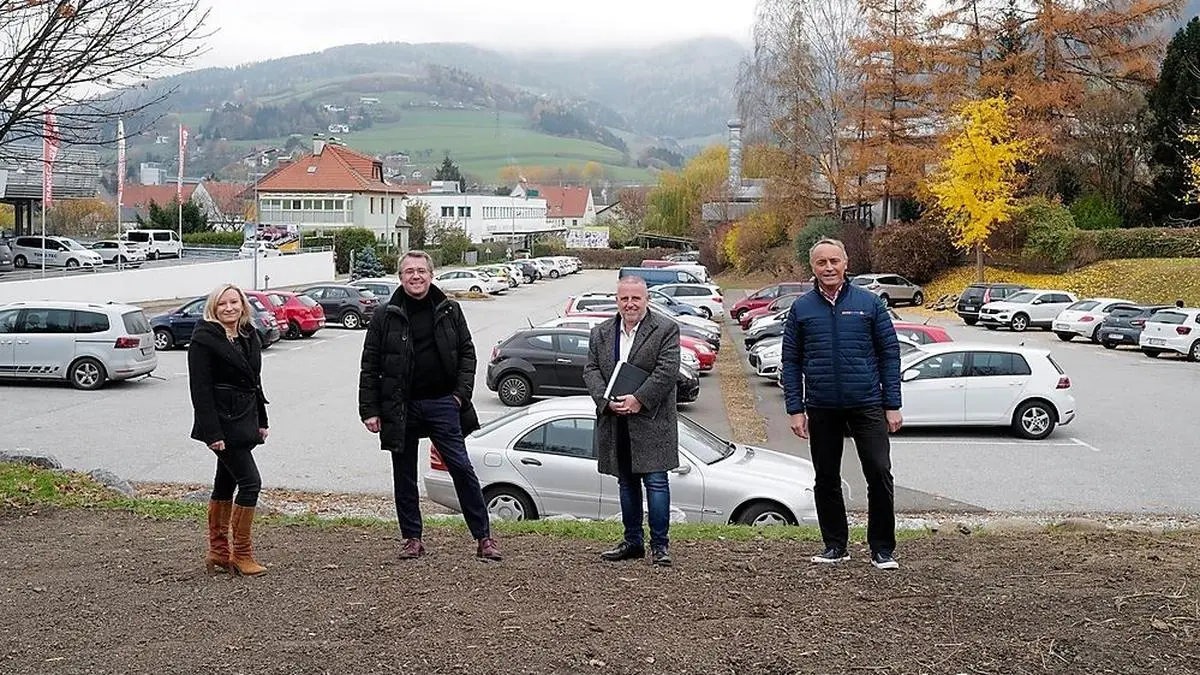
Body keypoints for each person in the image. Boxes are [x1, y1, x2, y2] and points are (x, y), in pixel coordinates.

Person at [358, 250, 501, 561]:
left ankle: (484, 538)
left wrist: (459, 396)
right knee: (404, 475)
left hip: (443, 404)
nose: (416, 276)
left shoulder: (450, 309)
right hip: (401, 406)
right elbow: (369, 365)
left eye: (421, 271)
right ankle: (412, 538)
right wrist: (369, 409)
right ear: (400, 277)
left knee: (462, 469)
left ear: (432, 275)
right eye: (409, 271)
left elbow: (467, 354)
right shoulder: (386, 314)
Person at [780, 238, 903, 570]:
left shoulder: (870, 304)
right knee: (826, 477)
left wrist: (892, 404)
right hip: (821, 405)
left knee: (879, 473)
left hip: (866, 403)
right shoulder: (802, 308)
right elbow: (790, 361)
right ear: (813, 267)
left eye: (834, 261)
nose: (829, 267)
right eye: (822, 262)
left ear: (846, 264)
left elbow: (890, 354)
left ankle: (882, 548)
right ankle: (835, 545)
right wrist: (795, 408)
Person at [582, 275, 682, 567]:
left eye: (635, 298)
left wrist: (638, 399)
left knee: (656, 483)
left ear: (646, 300)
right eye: (624, 299)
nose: (630, 304)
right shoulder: (600, 332)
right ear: (617, 300)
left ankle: (660, 546)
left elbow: (667, 371)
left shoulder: (665, 329)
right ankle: (632, 541)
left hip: (651, 421)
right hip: (616, 423)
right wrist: (605, 399)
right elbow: (590, 370)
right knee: (626, 484)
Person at [188, 284, 271, 577]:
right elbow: (200, 390)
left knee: (225, 484)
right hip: (222, 422)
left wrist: (262, 420)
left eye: (234, 302)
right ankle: (242, 554)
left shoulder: (249, 335)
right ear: (213, 307)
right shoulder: (203, 339)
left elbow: (254, 382)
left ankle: (219, 552)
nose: (229, 308)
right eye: (222, 303)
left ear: (242, 305)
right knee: (251, 482)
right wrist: (212, 433)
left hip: (245, 417)